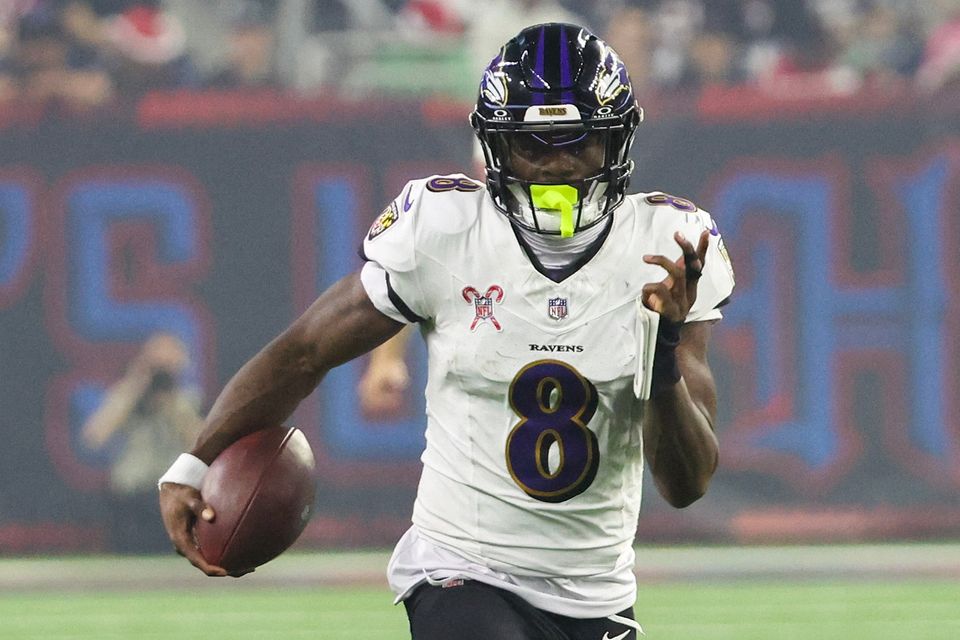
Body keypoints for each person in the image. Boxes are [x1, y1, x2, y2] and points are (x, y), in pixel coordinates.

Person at [159, 23, 735, 639]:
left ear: (615, 141)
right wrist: (194, 462)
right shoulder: (446, 229)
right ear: (494, 146)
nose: (556, 168)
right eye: (533, 146)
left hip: (596, 594)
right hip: (462, 568)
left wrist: (664, 352)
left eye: (576, 142)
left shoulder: (665, 249)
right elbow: (303, 353)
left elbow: (686, 484)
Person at [83, 332, 202, 553]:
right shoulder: (127, 395)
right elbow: (94, 437)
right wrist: (135, 386)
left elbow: (201, 447)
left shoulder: (189, 398)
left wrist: (173, 402)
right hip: (131, 497)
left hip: (175, 498)